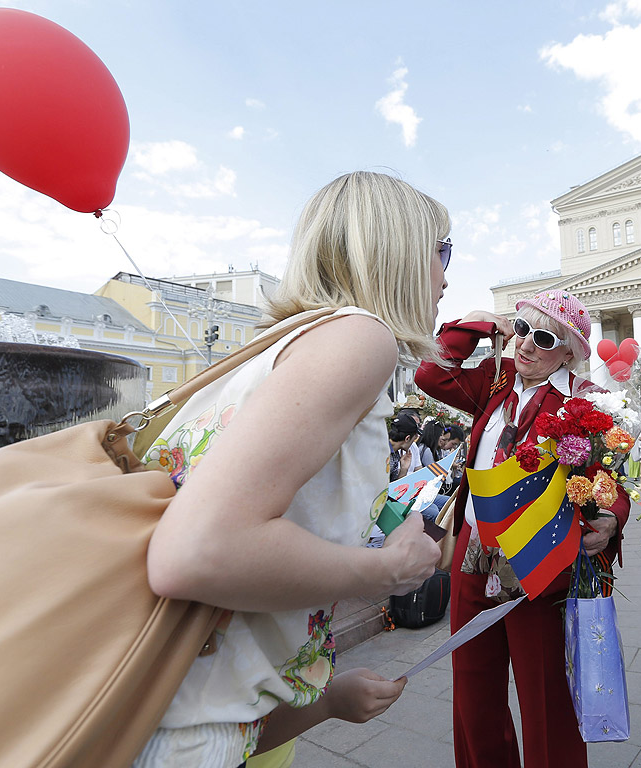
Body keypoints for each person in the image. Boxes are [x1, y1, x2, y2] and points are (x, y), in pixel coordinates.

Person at [135, 171, 447, 767]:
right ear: (396, 251)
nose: (445, 274)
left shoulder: (279, 344)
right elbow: (198, 552)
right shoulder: (360, 338)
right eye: (441, 249)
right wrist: (388, 570)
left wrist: (325, 701)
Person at [415, 291, 631, 768]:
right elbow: (429, 374)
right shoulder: (495, 380)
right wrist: (475, 326)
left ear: (569, 351)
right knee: (473, 688)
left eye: (544, 337)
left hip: (539, 557)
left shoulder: (584, 400)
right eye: (522, 329)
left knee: (545, 694)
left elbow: (612, 478)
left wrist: (611, 517)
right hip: (474, 553)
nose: (528, 345)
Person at [387, 413, 421, 481]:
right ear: (407, 438)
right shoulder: (383, 452)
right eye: (414, 438)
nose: (413, 442)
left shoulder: (395, 453)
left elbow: (394, 486)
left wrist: (404, 469)